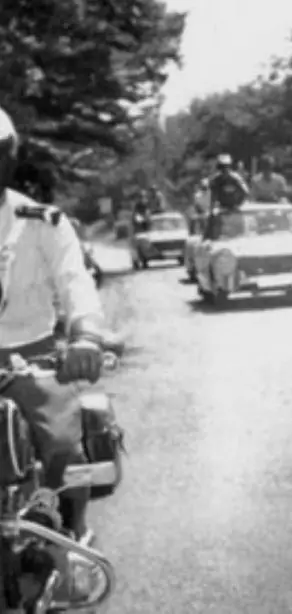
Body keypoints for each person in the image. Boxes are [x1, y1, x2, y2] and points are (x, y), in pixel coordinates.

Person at [0, 106, 108, 603]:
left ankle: (71, 542)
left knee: (63, 444)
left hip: (32, 358)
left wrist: (84, 335)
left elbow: (75, 282)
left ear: (10, 157)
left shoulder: (42, 223)